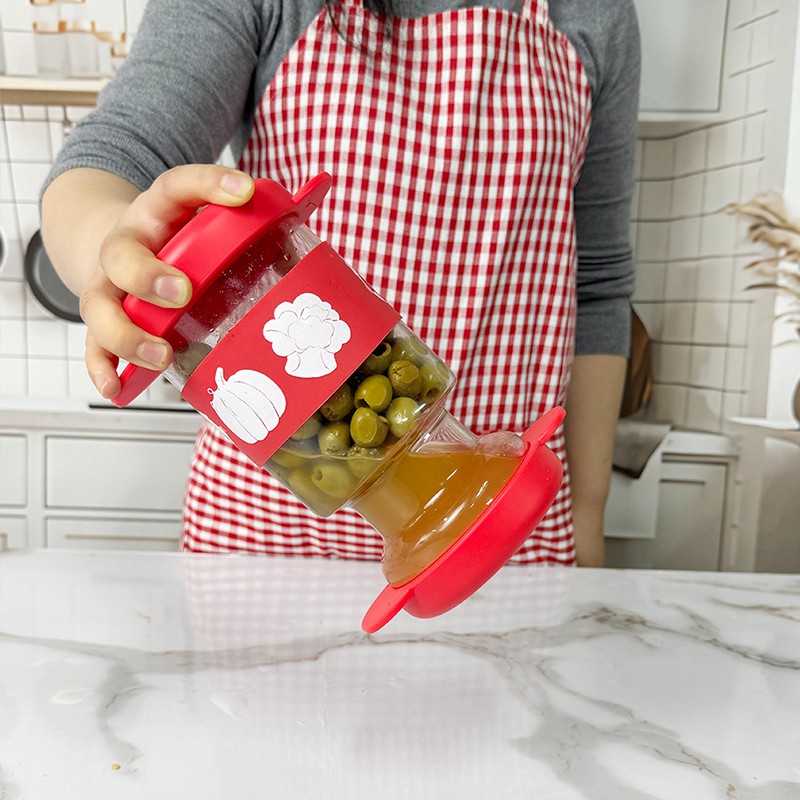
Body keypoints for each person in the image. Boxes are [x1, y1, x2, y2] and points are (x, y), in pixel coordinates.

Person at [40, 0, 640, 568]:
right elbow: (117, 150)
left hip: (508, 526)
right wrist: (116, 248)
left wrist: (588, 515)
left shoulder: (590, 13)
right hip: (263, 540)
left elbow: (600, 288)